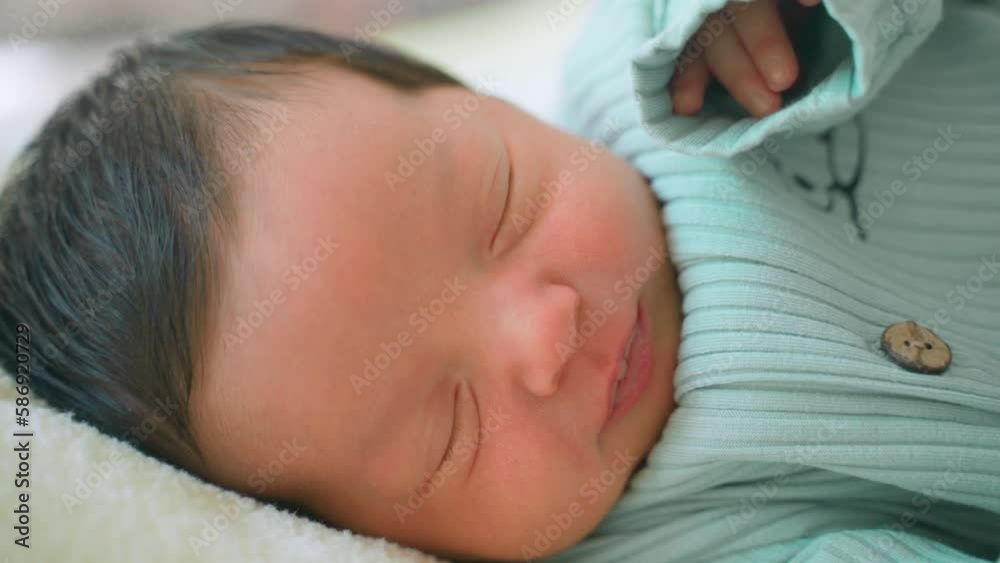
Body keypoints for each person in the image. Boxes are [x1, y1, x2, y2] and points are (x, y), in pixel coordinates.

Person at [1, 1, 998, 562]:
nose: (547, 332)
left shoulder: (663, 62)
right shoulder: (664, 541)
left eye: (500, 203)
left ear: (477, 100)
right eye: (448, 429)